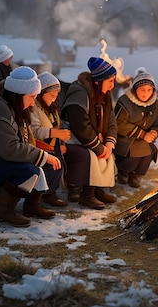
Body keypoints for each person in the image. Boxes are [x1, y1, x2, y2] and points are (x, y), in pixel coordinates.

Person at [0, 66, 62, 227]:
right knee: (29, 170)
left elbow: (25, 142)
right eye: (32, 96)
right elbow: (10, 149)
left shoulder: (15, 107)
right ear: (19, 94)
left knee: (41, 167)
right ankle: (2, 209)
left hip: (1, 161)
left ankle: (31, 205)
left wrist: (41, 156)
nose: (34, 102)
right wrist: (43, 156)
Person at [61, 57, 118, 209]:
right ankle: (86, 195)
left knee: (107, 154)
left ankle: (98, 189)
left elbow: (111, 121)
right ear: (99, 81)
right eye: (110, 81)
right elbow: (80, 127)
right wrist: (99, 147)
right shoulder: (79, 93)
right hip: (71, 138)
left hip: (91, 138)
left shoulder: (104, 95)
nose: (112, 86)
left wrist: (108, 143)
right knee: (93, 155)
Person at [30, 72, 73, 207]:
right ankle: (39, 197)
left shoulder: (51, 108)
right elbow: (34, 130)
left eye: (56, 96)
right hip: (39, 146)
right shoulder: (34, 108)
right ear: (42, 93)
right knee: (52, 168)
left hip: (53, 147)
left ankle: (50, 194)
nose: (54, 99)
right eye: (52, 96)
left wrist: (61, 140)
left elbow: (57, 124)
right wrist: (55, 133)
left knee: (58, 167)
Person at [114, 68, 158, 188]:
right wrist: (142, 134)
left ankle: (135, 175)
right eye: (142, 90)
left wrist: (154, 132)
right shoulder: (125, 102)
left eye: (149, 90)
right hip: (125, 140)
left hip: (143, 140)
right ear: (135, 90)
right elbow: (118, 124)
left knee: (150, 151)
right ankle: (123, 171)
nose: (146, 93)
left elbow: (156, 123)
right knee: (136, 153)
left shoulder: (155, 104)